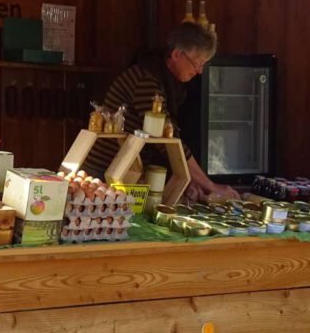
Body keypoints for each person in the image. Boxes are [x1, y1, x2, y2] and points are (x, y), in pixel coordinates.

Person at [85, 22, 239, 202]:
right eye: (196, 64)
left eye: (203, 65)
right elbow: (168, 143)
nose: (199, 72)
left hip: (129, 170)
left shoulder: (168, 83)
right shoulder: (146, 80)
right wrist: (210, 186)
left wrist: (189, 181)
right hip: (106, 174)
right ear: (176, 54)